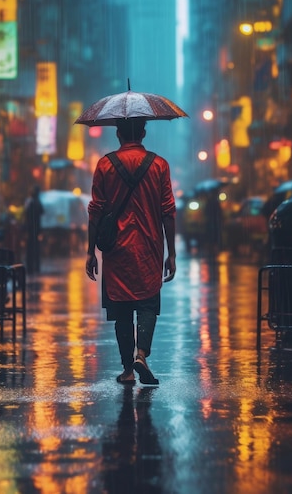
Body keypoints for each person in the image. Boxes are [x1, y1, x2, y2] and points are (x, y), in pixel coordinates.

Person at [85, 118, 176, 386]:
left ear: (118, 133)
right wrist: (172, 252)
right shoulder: (159, 165)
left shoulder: (105, 164)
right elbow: (168, 212)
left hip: (116, 251)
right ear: (144, 132)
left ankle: (127, 370)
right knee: (147, 302)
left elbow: (95, 211)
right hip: (149, 248)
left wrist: (90, 251)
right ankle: (141, 355)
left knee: (122, 309)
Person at [24, 184, 44, 275]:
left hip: (31, 230)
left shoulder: (31, 202)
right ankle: (35, 268)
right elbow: (42, 211)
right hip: (35, 230)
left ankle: (31, 268)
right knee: (35, 250)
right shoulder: (36, 202)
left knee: (30, 250)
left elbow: (27, 216)